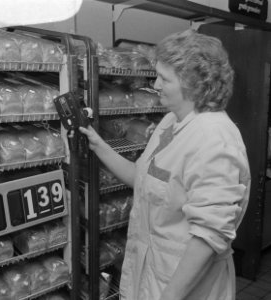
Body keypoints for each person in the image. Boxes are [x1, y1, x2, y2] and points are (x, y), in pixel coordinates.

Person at [80, 30, 250, 300]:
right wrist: (97, 143)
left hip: (184, 288)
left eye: (164, 78)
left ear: (193, 83)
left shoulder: (215, 140)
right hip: (151, 276)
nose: (155, 85)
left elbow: (209, 235)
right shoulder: (171, 122)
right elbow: (143, 178)